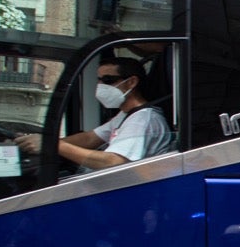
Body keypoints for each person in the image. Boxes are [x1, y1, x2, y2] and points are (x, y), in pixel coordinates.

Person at [15, 58, 174, 171]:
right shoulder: (126, 115)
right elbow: (91, 138)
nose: (100, 86)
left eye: (107, 80)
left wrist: (53, 145)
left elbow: (114, 161)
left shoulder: (143, 119)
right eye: (99, 80)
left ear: (131, 82)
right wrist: (41, 142)